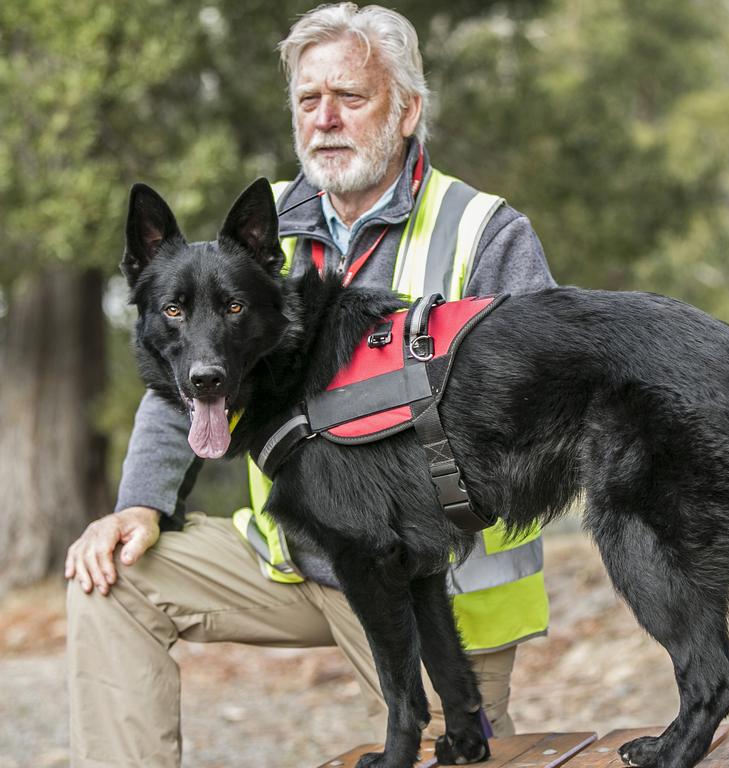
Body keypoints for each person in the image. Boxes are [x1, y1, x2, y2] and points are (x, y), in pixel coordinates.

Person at [64, 4, 555, 766]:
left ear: (407, 111)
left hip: (436, 583)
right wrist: (139, 503)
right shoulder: (258, 234)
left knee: (452, 751)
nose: (324, 119)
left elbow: (543, 396)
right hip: (287, 558)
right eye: (307, 100)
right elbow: (193, 370)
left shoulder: (483, 232)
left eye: (350, 98)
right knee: (111, 580)